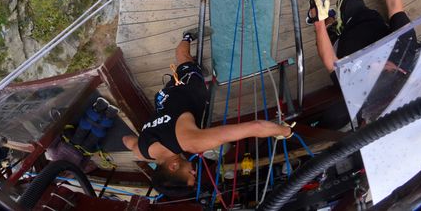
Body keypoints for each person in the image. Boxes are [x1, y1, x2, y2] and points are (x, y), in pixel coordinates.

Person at [122, 32, 293, 197]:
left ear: (173, 166)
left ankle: (187, 37)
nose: (194, 170)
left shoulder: (191, 142)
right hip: (164, 97)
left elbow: (255, 127)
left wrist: (284, 132)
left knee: (183, 57)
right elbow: (127, 141)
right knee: (181, 69)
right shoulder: (142, 152)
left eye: (191, 173)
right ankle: (188, 59)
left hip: (187, 87)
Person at [307, 0, 421, 122]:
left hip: (341, 48)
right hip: (362, 21)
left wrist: (318, 24)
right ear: (399, 69)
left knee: (327, 31)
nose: (374, 62)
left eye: (370, 70)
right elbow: (394, 5)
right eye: (382, 63)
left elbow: (330, 62)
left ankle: (328, 18)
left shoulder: (358, 92)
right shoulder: (407, 47)